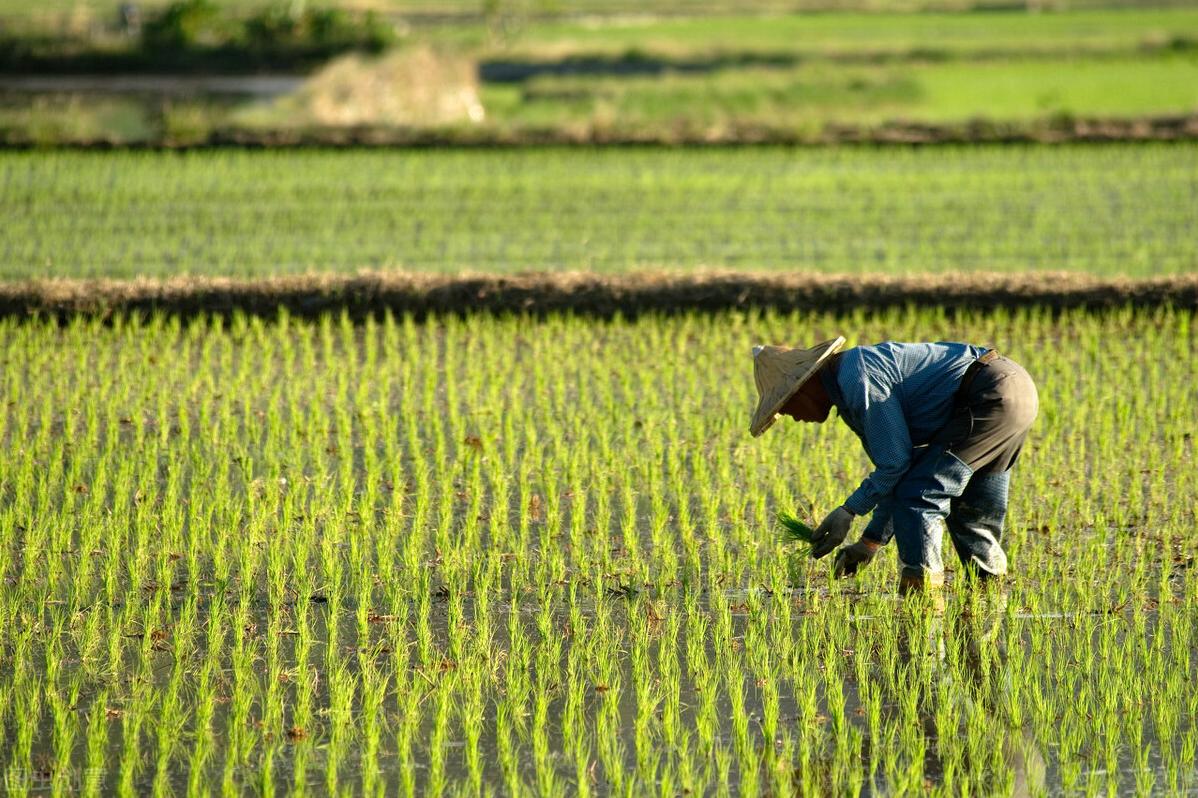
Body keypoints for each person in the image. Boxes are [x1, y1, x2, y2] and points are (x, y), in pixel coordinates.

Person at [749, 337, 1038, 593]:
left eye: (785, 406)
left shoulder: (857, 378)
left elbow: (896, 466)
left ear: (803, 387)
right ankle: (991, 600)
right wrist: (869, 543)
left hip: (989, 395)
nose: (792, 416)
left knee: (921, 496)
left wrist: (848, 510)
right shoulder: (851, 381)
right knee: (971, 516)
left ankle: (922, 605)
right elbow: (899, 472)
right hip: (1015, 389)